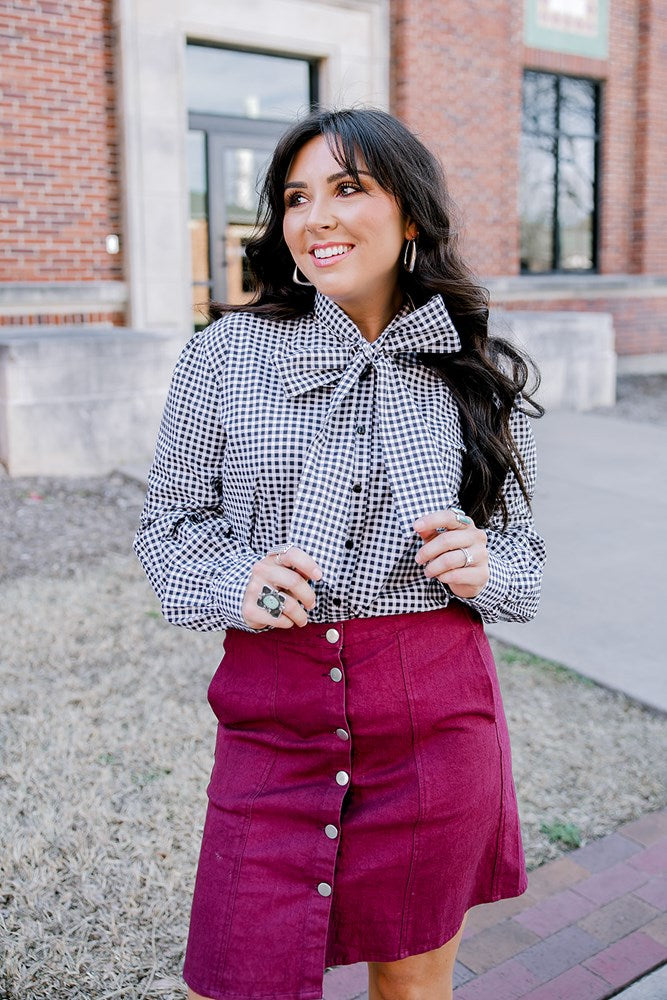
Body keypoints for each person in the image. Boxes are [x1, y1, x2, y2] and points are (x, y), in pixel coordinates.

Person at [134, 107, 546, 1000]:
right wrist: (234, 578)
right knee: (236, 978)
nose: (315, 217)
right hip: (271, 717)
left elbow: (526, 560)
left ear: (411, 214)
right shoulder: (223, 357)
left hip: (436, 721)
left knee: (410, 985)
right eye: (295, 198)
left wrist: (487, 566)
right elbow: (167, 526)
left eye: (347, 188)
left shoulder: (472, 367)